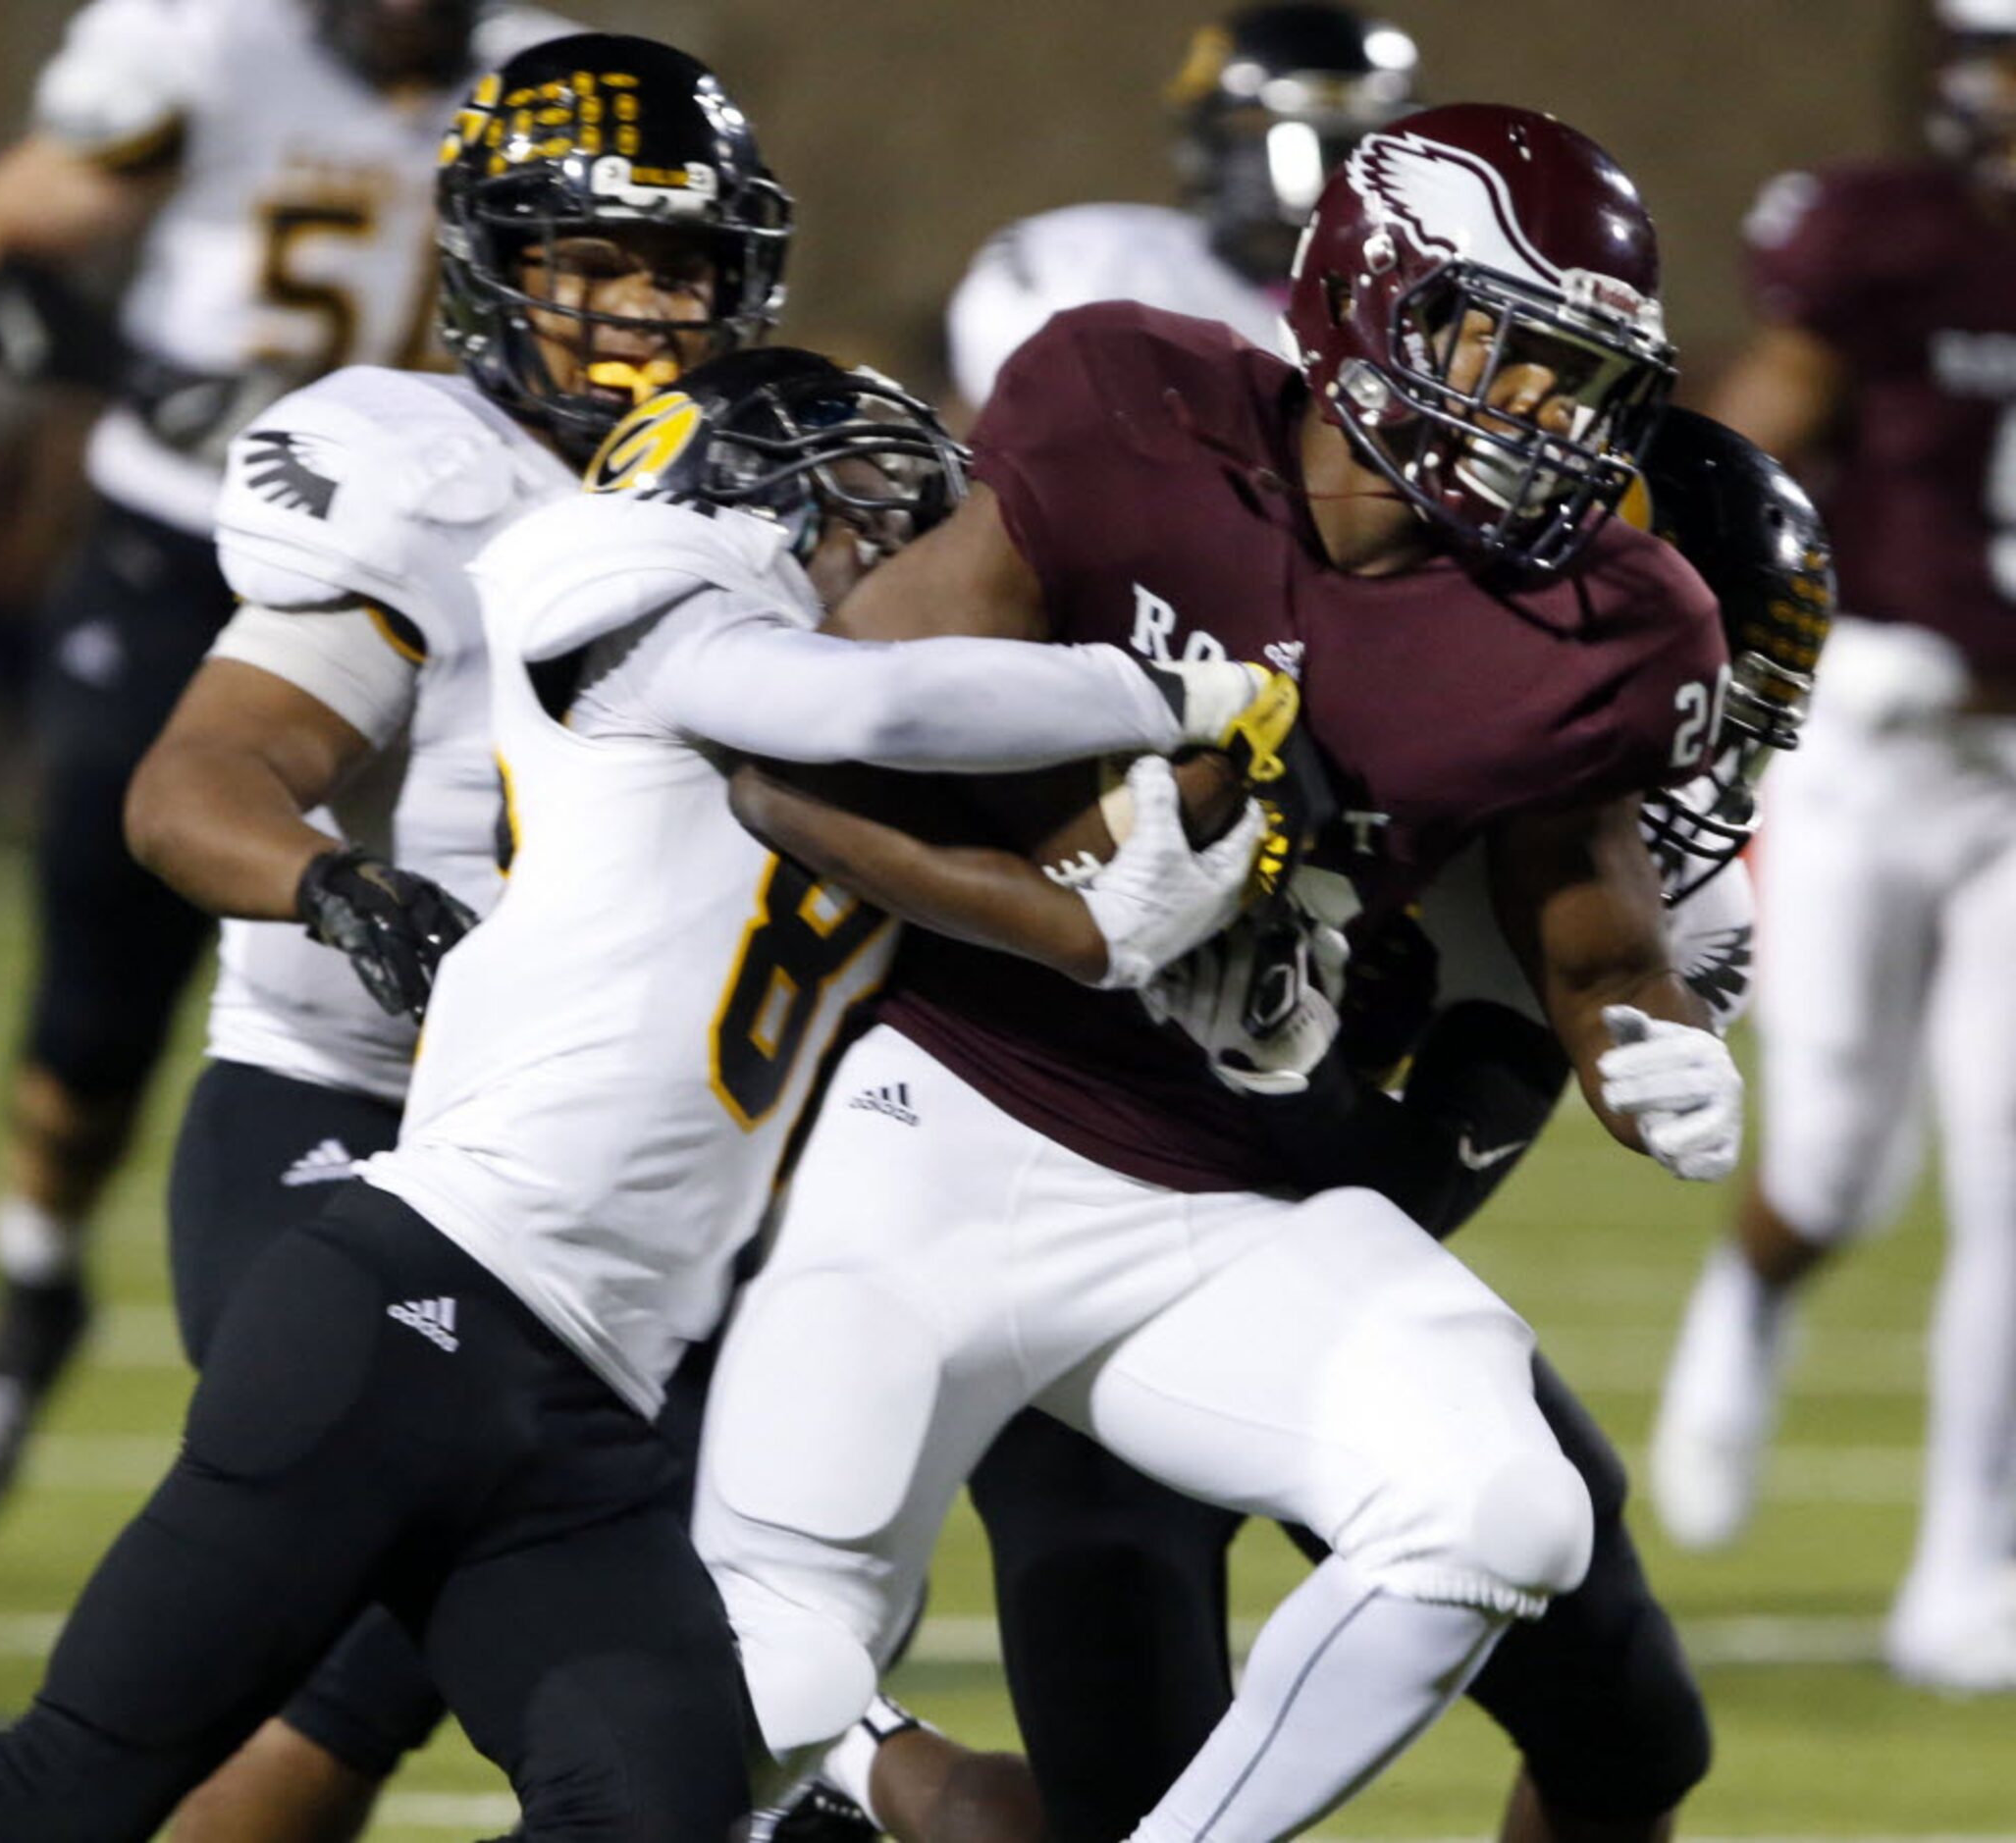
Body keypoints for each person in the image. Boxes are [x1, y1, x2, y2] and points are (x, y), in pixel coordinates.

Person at [691, 102, 1741, 1843]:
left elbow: (1599, 925)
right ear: (1370, 300)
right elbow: (802, 758)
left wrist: (1655, 1040)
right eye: (1509, 353)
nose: (1550, 421)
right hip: (932, 1124)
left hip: (1223, 1188)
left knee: (1501, 1505)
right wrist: (1079, 912)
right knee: (770, 1664)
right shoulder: (1128, 417)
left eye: (1583, 380)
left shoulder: (1593, 630)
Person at [884, 409, 1827, 1843]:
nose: (1685, 764)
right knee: (1121, 1812)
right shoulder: (1343, 724)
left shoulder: (1671, 911)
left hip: (1314, 1263)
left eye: (1717, 715)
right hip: (1078, 1289)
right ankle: (831, 1770)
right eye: (1659, 699)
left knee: (1629, 1731)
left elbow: (1405, 1186)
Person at [115, 30, 785, 1842]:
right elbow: (205, 776)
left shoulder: (770, 483)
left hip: (622, 1190)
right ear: (498, 261)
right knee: (378, 1668)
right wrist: (340, 885)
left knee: (441, 1693)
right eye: (597, 262)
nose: (649, 310)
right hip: (351, 1128)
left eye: (686, 266)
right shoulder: (424, 466)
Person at [0, 0, 575, 1535]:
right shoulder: (206, 46)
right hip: (182, 543)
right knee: (106, 956)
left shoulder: (545, 78)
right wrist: (141, 376)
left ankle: (464, 1295)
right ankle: (35, 1283)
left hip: (458, 560)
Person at [1648, 0, 2016, 1693]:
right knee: (1846, 1155)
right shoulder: (1891, 242)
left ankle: (1967, 1570)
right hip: (1875, 756)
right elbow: (1738, 461)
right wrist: (1790, 649)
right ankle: (1753, 1297)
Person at [946, 2, 1420, 414]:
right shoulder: (1094, 266)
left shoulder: (1419, 301)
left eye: (1366, 142)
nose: (1342, 170)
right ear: (1213, 141)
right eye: (1303, 136)